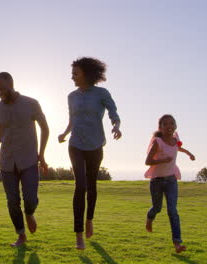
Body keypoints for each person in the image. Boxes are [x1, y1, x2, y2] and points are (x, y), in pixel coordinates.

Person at [0, 72, 49, 247]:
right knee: (12, 201)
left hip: (29, 161)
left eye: (2, 88)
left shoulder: (31, 103)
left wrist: (42, 154)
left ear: (11, 85)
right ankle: (21, 235)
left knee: (31, 199)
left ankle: (29, 213)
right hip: (6, 162)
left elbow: (45, 129)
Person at [58, 57, 122, 250]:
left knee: (92, 186)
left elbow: (113, 112)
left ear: (86, 73)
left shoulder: (102, 93)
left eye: (75, 73)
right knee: (80, 186)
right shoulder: (72, 96)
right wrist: (64, 133)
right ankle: (79, 235)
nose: (72, 77)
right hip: (75, 144)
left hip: (95, 146)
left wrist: (116, 126)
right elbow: (72, 120)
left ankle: (89, 219)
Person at [144, 114, 195, 253]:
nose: (169, 126)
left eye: (171, 123)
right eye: (165, 124)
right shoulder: (158, 142)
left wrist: (189, 153)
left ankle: (177, 243)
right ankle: (149, 218)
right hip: (157, 181)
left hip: (171, 180)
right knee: (157, 207)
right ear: (160, 127)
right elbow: (147, 161)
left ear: (175, 126)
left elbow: (178, 148)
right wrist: (163, 160)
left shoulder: (175, 139)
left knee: (172, 210)